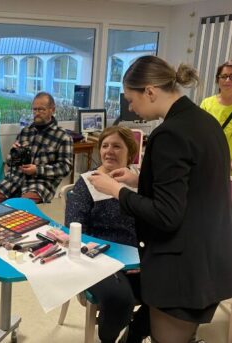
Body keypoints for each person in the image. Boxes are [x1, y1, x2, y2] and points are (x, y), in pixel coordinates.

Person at [88, 56, 232, 343]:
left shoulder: (170, 134)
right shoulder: (206, 123)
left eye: (131, 98)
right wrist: (141, 181)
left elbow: (167, 215)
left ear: (150, 91)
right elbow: (196, 188)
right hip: (212, 259)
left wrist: (117, 191)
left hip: (181, 268)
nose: (130, 107)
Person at [65, 126, 149, 343]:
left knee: (172, 289)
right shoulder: (87, 182)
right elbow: (74, 230)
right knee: (119, 300)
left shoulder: (140, 180)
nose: (109, 151)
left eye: (117, 146)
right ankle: (108, 338)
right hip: (98, 259)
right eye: (105, 146)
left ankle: (134, 334)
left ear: (130, 153)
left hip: (138, 256)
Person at [0, 91, 73, 204]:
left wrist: (37, 169)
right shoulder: (25, 131)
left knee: (17, 211)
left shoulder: (63, 137)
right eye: (34, 109)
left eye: (41, 109)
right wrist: (14, 153)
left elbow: (65, 168)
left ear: (52, 110)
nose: (37, 113)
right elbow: (10, 162)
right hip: (14, 181)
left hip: (40, 184)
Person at [200, 60, 232, 172]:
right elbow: (198, 135)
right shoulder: (206, 104)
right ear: (218, 80)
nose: (228, 80)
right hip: (208, 166)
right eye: (224, 76)